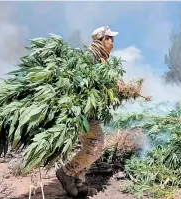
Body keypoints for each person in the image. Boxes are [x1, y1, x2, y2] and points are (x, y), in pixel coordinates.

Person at [56, 26, 149, 197]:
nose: (113, 43)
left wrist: (118, 84)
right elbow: (85, 82)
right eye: (110, 39)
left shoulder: (101, 58)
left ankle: (80, 183)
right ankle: (67, 172)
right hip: (84, 112)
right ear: (103, 40)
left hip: (89, 111)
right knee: (97, 144)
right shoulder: (90, 56)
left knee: (88, 145)